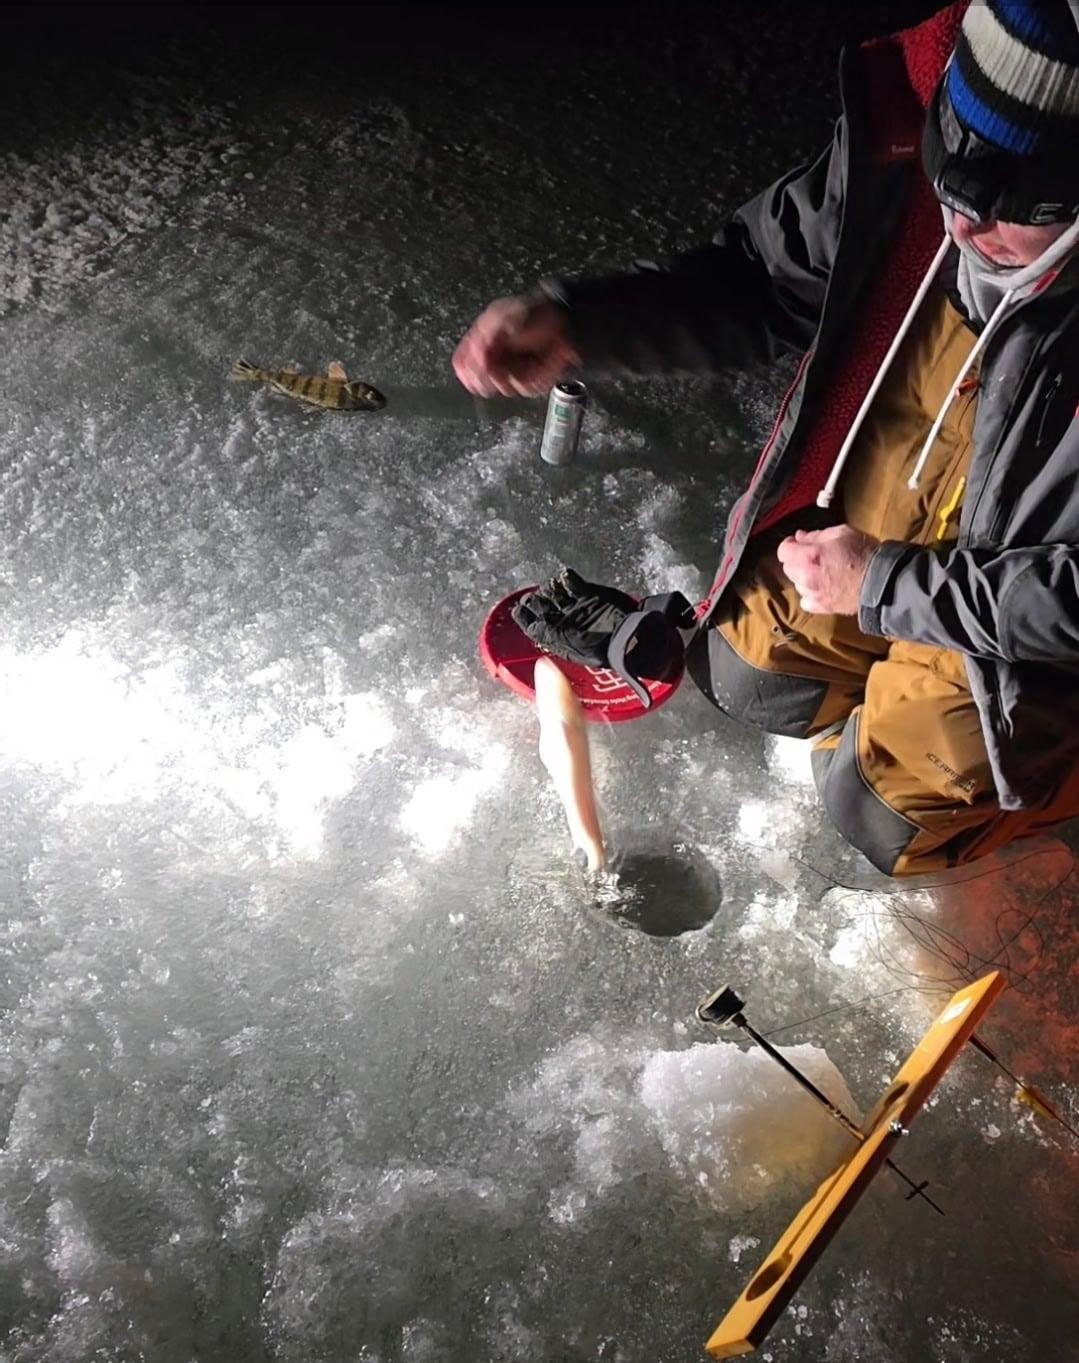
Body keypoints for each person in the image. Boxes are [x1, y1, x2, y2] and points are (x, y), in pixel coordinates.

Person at [453, 0, 1079, 877]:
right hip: (934, 464)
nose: (963, 224)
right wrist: (586, 322)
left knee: (884, 815)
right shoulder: (932, 136)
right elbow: (766, 271)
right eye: (953, 167)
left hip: (1047, 589)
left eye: (1020, 202)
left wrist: (886, 584)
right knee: (750, 673)